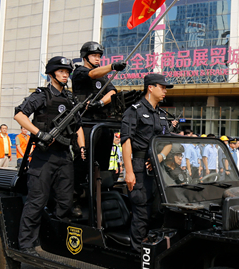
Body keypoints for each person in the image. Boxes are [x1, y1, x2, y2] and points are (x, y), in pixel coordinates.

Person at [14, 56, 86, 256]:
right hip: (43, 157)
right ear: (52, 74)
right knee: (37, 201)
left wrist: (81, 147)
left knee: (65, 202)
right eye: (61, 71)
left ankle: (55, 243)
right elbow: (19, 114)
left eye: (67, 72)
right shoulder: (41, 96)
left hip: (64, 156)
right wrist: (39, 133)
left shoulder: (71, 98)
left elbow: (78, 126)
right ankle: (26, 245)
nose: (65, 75)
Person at [121, 73, 173, 253]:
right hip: (139, 165)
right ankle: (137, 253)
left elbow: (168, 142)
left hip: (158, 168)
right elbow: (126, 141)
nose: (165, 91)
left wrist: (159, 158)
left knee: (158, 212)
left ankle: (152, 253)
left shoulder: (161, 114)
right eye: (162, 87)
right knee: (141, 212)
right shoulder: (134, 111)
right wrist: (129, 172)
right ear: (150, 87)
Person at [71, 41, 127, 118]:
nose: (97, 59)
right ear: (85, 57)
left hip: (102, 118)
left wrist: (100, 103)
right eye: (94, 56)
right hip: (84, 118)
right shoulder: (79, 71)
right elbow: (92, 74)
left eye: (99, 56)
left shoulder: (102, 76)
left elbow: (112, 92)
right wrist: (113, 66)